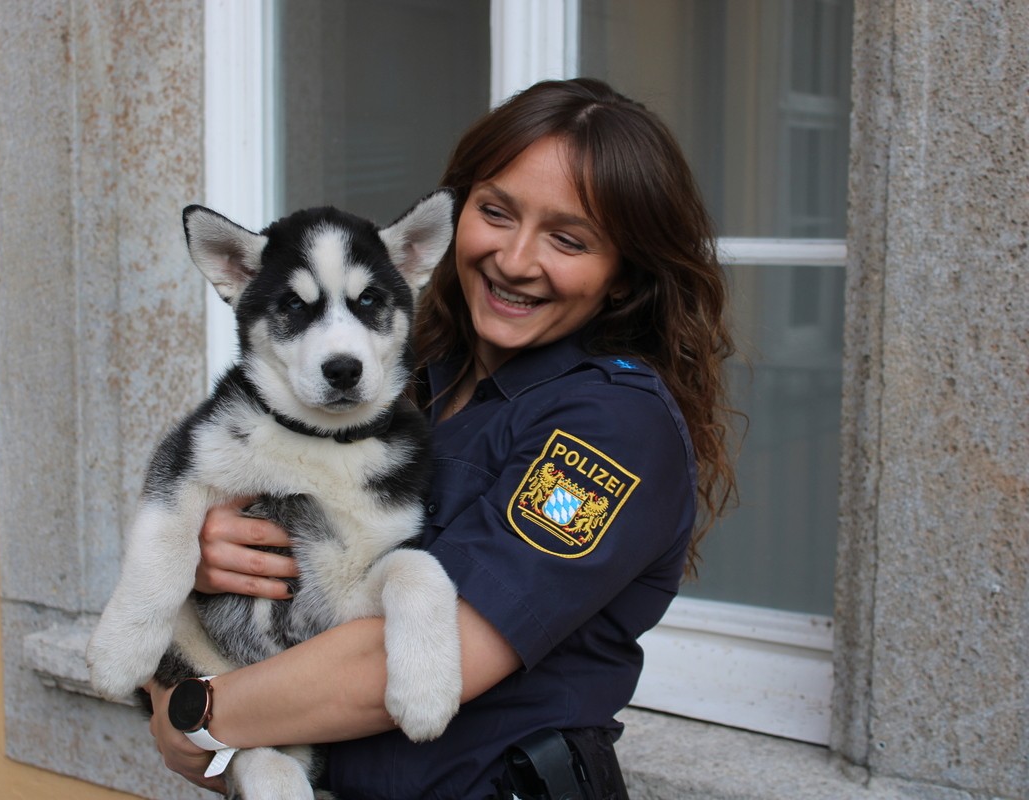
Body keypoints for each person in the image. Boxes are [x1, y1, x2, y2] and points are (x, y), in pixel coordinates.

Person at [145, 77, 737, 799]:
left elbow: (427, 655)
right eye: (496, 212)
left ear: (622, 277)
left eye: (568, 238)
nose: (515, 260)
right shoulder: (398, 376)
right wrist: (212, 557)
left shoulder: (611, 427)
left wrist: (195, 713)